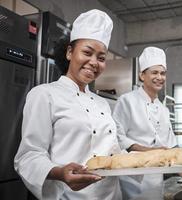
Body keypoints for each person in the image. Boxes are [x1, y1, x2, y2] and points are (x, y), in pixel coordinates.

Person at [14, 9, 122, 200]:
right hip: (70, 196)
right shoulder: (44, 95)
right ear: (70, 52)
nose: (94, 62)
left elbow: (112, 151)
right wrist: (59, 173)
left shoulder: (102, 103)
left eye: (101, 58)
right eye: (87, 53)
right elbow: (29, 157)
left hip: (111, 195)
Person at [112, 46, 177, 199]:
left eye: (162, 73)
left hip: (156, 178)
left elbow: (171, 146)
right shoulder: (127, 101)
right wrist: (147, 151)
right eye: (154, 72)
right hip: (132, 177)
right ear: (142, 75)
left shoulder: (163, 109)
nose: (160, 77)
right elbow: (117, 137)